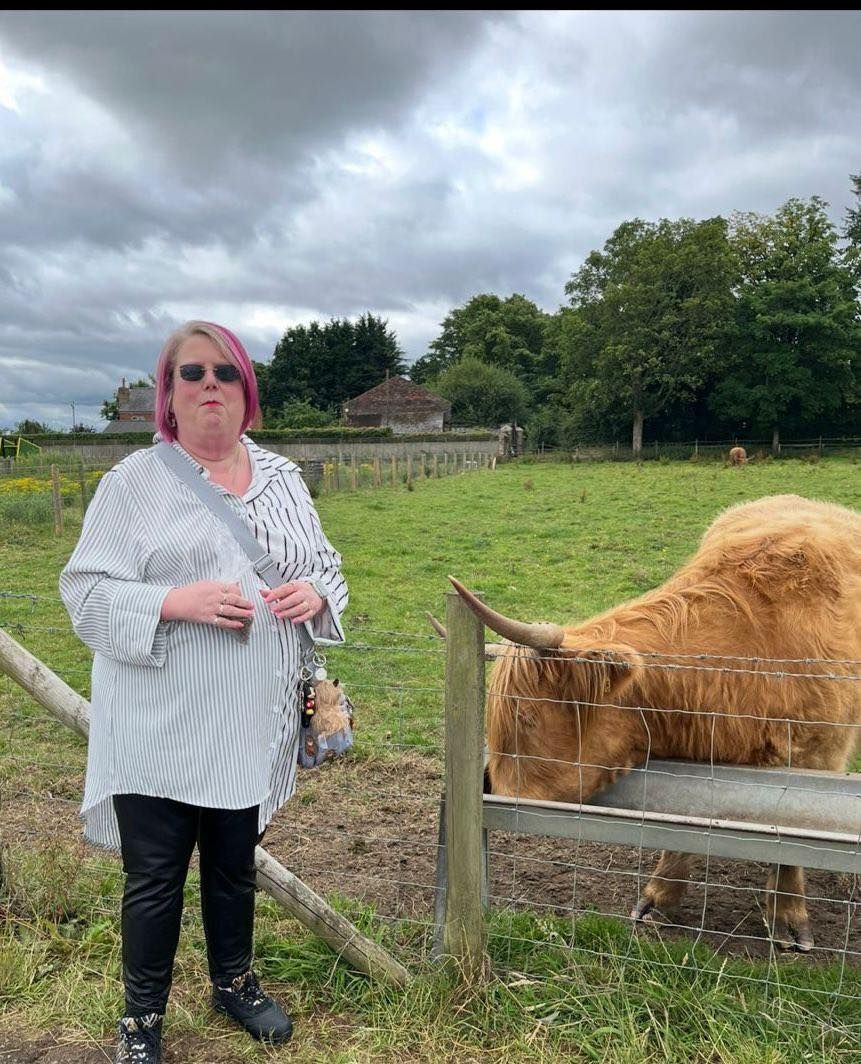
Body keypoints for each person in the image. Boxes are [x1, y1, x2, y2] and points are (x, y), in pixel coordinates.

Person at [60, 321, 348, 1064]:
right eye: (192, 373)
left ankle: (234, 983)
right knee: (153, 878)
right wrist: (173, 602)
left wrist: (315, 592)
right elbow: (84, 592)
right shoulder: (133, 482)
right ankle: (140, 1021)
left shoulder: (283, 477)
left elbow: (328, 564)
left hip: (250, 716)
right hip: (157, 718)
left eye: (225, 371)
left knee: (231, 864)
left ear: (247, 390)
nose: (209, 384)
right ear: (170, 394)